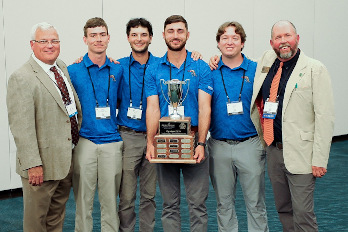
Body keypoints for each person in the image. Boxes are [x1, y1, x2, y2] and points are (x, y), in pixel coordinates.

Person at [250, 20, 334, 231]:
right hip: (274, 150)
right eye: (278, 38)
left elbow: (325, 117)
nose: (283, 41)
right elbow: (239, 61)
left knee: (303, 213)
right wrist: (215, 58)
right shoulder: (266, 61)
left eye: (287, 36)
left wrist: (320, 159)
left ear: (297, 38)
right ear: (271, 43)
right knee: (283, 208)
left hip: (302, 153)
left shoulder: (315, 69)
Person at [6, 22, 81, 231]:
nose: (50, 45)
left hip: (64, 159)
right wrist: (33, 165)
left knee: (56, 217)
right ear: (32, 45)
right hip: (41, 166)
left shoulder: (61, 67)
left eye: (54, 41)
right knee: (36, 222)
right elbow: (22, 127)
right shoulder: (22, 78)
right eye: (44, 41)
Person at [145, 15, 213, 232]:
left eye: (180, 31)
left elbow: (205, 107)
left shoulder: (200, 66)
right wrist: (150, 142)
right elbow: (153, 108)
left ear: (188, 34)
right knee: (169, 205)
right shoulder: (154, 68)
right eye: (171, 31)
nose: (175, 36)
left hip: (194, 141)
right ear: (164, 35)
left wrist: (201, 142)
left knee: (198, 205)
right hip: (164, 141)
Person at [208, 22, 268, 232]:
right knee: (224, 205)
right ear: (218, 43)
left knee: (255, 204)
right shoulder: (210, 70)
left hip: (250, 145)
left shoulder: (257, 69)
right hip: (218, 146)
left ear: (242, 43)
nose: (230, 42)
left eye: (235, 38)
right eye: (225, 37)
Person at [68, 17, 123, 232]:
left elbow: (121, 100)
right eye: (93, 35)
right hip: (84, 142)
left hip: (112, 142)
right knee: (83, 202)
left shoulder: (118, 70)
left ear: (108, 38)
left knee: (110, 202)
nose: (98, 39)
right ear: (85, 39)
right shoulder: (72, 70)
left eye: (102, 35)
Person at [117, 18, 158, 232]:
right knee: (126, 196)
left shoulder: (161, 65)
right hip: (127, 137)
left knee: (149, 196)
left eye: (143, 34)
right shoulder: (117, 66)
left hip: (154, 138)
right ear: (128, 38)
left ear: (151, 38)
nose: (139, 39)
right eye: (134, 34)